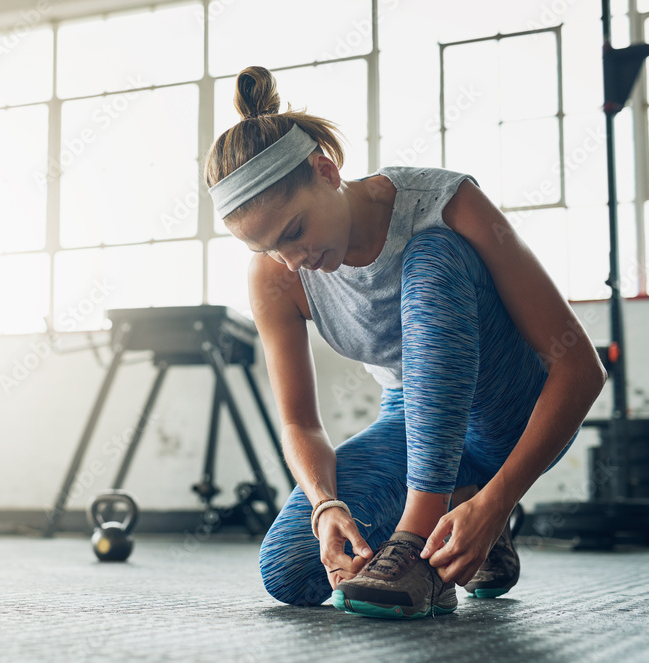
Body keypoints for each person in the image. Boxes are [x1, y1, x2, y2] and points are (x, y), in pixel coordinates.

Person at [203, 66, 607, 619]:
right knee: (291, 567)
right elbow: (300, 423)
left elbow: (581, 369)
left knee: (432, 254)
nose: (291, 260)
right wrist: (326, 507)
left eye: (294, 231)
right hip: (415, 427)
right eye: (269, 247)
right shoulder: (277, 276)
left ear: (326, 170)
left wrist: (500, 501)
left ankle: (421, 539)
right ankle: (453, 505)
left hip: (507, 412)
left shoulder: (445, 202)